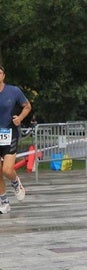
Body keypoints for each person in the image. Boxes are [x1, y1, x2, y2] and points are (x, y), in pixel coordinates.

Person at [0, 66, 31, 214]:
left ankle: (16, 182)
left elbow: (27, 106)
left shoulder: (14, 91)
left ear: (3, 75)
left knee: (7, 169)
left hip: (9, 133)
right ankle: (4, 202)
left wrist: (20, 118)